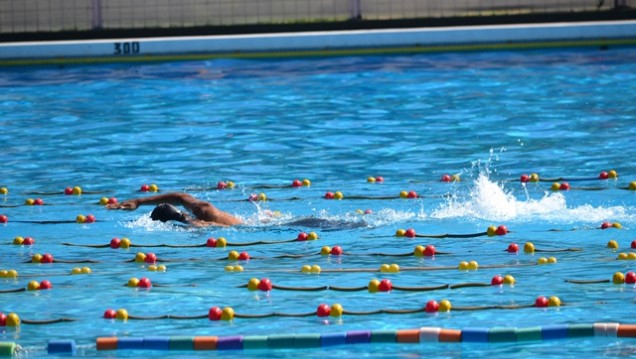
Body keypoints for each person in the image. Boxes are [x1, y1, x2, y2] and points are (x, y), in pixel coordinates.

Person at [106, 192, 242, 227]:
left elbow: (218, 226)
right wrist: (138, 201)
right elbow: (179, 196)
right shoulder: (196, 211)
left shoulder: (202, 211)